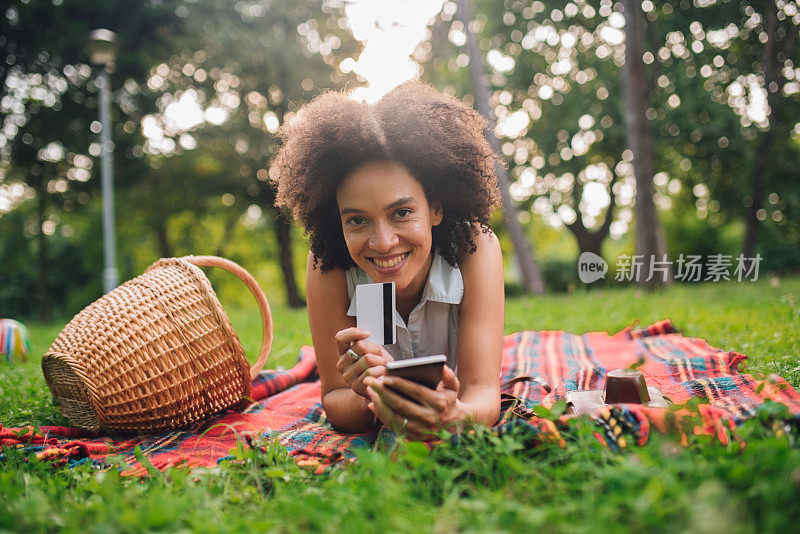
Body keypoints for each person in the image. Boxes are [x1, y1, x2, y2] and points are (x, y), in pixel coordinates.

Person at [270, 81, 504, 440]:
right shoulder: (327, 263)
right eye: (357, 220)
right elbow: (336, 399)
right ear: (338, 221)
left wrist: (456, 416)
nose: (383, 243)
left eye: (401, 212)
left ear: (435, 208)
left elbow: (483, 391)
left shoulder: (476, 249)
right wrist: (366, 394)